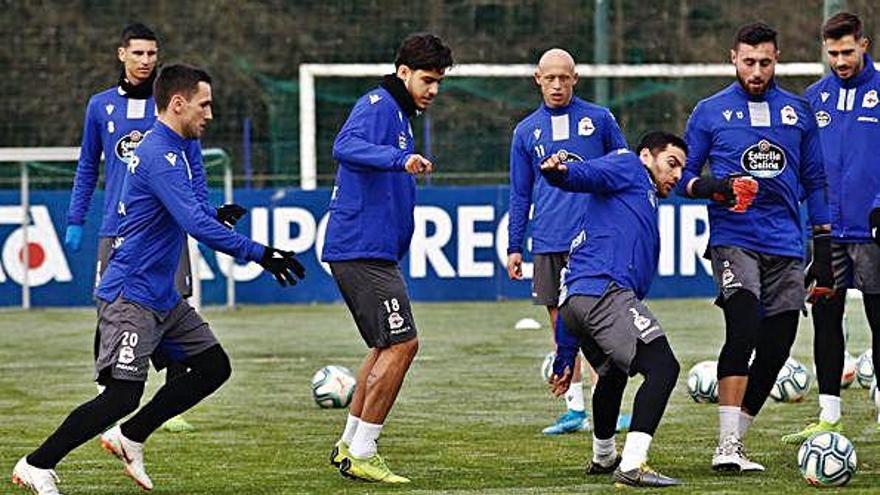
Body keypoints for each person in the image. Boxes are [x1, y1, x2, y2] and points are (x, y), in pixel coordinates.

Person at [11, 64, 305, 495]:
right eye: (204, 104)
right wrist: (260, 253)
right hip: (131, 295)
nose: (210, 114)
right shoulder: (157, 153)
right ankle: (37, 464)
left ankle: (130, 436)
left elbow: (187, 210)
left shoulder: (179, 148)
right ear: (179, 103)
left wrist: (212, 214)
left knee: (213, 367)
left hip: (162, 296)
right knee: (119, 397)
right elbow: (192, 222)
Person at [64, 23, 241, 433]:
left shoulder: (174, 107)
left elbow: (194, 166)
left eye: (152, 54)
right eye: (138, 53)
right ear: (121, 54)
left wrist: (203, 211)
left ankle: (169, 400)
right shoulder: (100, 107)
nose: (145, 61)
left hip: (169, 225)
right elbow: (89, 165)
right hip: (117, 229)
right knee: (121, 308)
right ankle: (113, 390)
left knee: (176, 302)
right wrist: (76, 218)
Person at [678, 23, 833, 472]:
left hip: (785, 242)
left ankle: (738, 438)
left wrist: (822, 242)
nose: (757, 70)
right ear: (733, 59)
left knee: (778, 344)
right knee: (742, 326)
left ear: (777, 59)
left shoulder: (798, 113)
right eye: (749, 62)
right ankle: (724, 446)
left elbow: (816, 180)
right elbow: (684, 178)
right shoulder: (709, 112)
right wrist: (720, 187)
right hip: (734, 239)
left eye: (765, 62)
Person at [321, 33, 453, 484]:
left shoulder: (398, 113)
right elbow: (344, 146)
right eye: (427, 79)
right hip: (361, 249)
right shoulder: (378, 104)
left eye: (438, 82)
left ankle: (350, 443)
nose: (433, 89)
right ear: (404, 73)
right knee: (403, 345)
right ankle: (363, 449)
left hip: (370, 251)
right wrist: (400, 160)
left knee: (384, 346)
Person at [542, 131, 687, 488]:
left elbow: (567, 294)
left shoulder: (636, 197)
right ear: (645, 157)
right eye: (671, 163)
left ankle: (604, 456)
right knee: (663, 367)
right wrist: (559, 173)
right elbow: (588, 174)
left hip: (578, 301)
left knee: (612, 373)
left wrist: (565, 353)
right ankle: (633, 464)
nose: (677, 175)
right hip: (605, 293)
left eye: (682, 169)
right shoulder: (628, 166)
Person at [507, 48, 631, 435]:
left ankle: (605, 408)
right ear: (538, 80)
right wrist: (514, 245)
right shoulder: (526, 131)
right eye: (550, 78)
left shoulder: (600, 119)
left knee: (597, 324)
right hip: (547, 241)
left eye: (565, 77)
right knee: (561, 323)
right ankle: (574, 410)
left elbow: (625, 169)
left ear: (575, 78)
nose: (558, 85)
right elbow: (519, 193)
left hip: (593, 241)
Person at [783, 12, 880, 443]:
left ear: (865, 44)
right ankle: (829, 415)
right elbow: (805, 167)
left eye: (847, 50)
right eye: (833, 52)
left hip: (874, 231)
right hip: (827, 234)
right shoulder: (814, 98)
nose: (840, 60)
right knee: (825, 320)